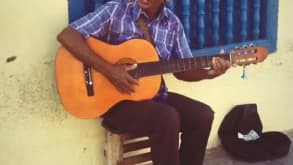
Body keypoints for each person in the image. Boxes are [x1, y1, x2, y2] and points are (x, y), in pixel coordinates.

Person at [57, 0, 230, 164]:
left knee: (202, 114)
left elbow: (182, 70)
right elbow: (68, 35)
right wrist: (110, 71)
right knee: (167, 117)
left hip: (155, 97)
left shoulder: (172, 24)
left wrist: (209, 74)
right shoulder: (117, 10)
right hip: (115, 104)